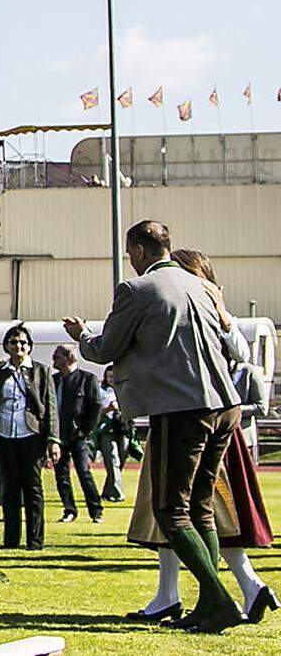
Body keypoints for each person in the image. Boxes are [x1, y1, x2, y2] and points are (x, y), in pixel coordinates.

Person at [64, 221, 245, 633]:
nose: (130, 259)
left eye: (130, 252)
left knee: (170, 510)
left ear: (141, 251)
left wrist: (82, 335)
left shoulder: (137, 290)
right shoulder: (202, 286)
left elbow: (106, 349)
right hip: (224, 405)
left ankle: (218, 600)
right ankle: (208, 603)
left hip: (182, 409)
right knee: (199, 507)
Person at [122, 248, 276, 627]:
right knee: (181, 511)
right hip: (193, 416)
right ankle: (175, 594)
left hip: (197, 418)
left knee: (191, 511)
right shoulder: (182, 303)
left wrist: (224, 317)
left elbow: (241, 354)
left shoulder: (206, 306)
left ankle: (235, 588)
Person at [0, 323, 61, 550]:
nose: (18, 346)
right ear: (6, 345)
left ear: (30, 346)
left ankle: (35, 541)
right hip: (4, 435)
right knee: (9, 488)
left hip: (31, 435)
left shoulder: (41, 371)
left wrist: (53, 440)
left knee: (33, 488)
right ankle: (11, 539)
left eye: (23, 342)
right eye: (13, 342)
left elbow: (51, 408)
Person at [50, 344, 103, 524]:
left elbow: (96, 406)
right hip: (58, 436)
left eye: (57, 357)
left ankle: (96, 511)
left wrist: (85, 430)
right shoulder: (53, 380)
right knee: (61, 476)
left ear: (68, 358)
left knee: (84, 472)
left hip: (78, 436)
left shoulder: (87, 379)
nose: (53, 361)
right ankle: (69, 510)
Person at [94, 366, 130, 502]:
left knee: (121, 459)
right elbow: (96, 411)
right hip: (107, 429)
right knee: (112, 459)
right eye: (109, 377)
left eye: (113, 376)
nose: (111, 379)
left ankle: (107, 491)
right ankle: (117, 493)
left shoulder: (125, 390)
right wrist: (108, 408)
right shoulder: (101, 392)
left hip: (123, 428)